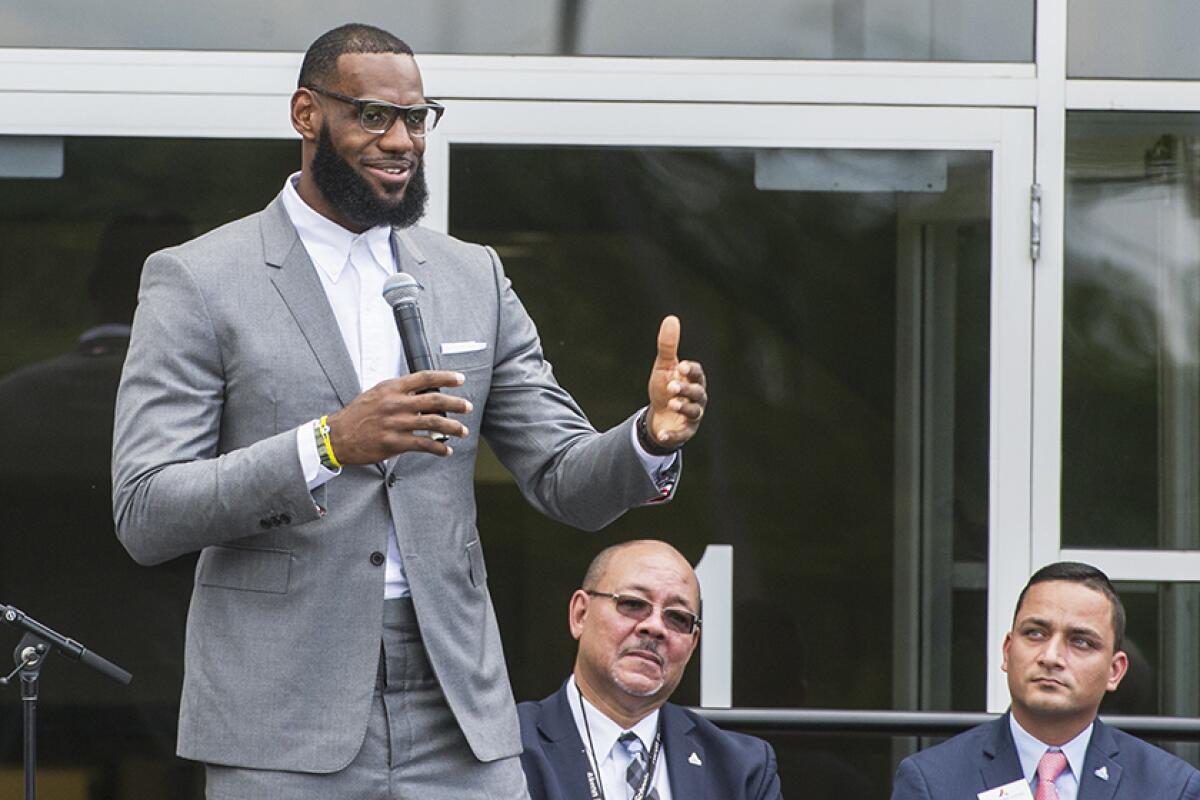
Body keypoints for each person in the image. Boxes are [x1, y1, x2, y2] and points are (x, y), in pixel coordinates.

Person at [111, 23, 707, 800]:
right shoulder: (199, 279)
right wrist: (328, 445)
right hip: (283, 707)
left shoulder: (472, 277)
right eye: (372, 116)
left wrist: (648, 439)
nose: (401, 141)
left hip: (455, 700)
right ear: (305, 114)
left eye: (417, 119)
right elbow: (147, 508)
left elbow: (564, 478)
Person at [891, 562, 1200, 800]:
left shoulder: (1169, 787)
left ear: (1115, 671)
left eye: (1080, 642)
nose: (1051, 656)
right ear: (1008, 652)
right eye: (1035, 633)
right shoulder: (932, 781)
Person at [518, 540, 782, 799]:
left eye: (677, 617)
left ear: (692, 645)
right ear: (580, 614)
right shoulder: (507, 746)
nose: (655, 627)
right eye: (633, 604)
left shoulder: (742, 770)